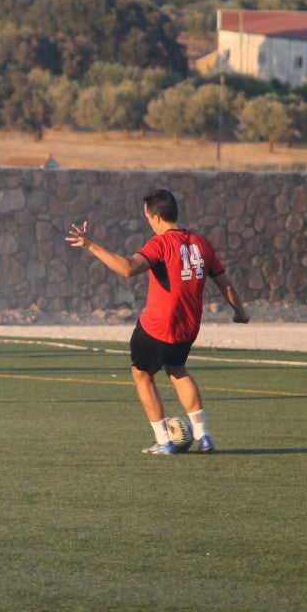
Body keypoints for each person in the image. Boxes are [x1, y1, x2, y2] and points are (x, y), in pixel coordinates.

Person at [66, 188, 248, 454]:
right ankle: (204, 436)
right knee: (177, 370)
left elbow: (129, 268)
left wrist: (91, 245)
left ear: (157, 218)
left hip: (156, 327)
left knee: (141, 374)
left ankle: (163, 440)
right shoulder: (201, 243)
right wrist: (240, 312)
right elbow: (226, 285)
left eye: (148, 218)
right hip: (187, 328)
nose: (149, 222)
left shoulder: (160, 244)